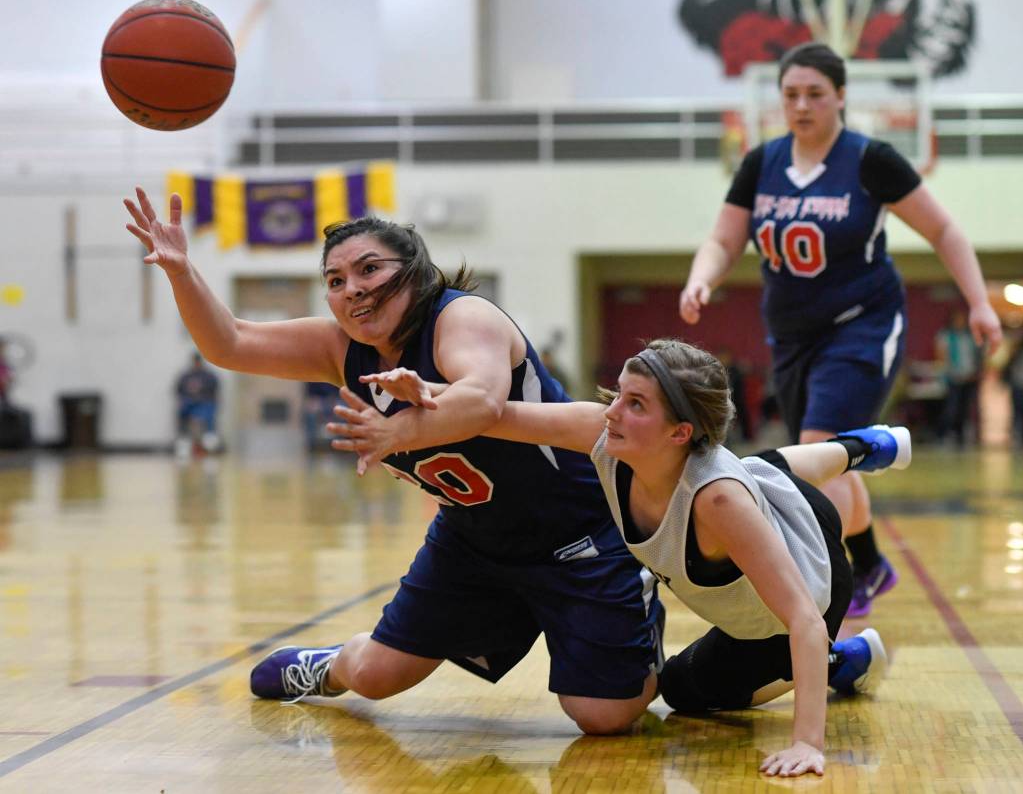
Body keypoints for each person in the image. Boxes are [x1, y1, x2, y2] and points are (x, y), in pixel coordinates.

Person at [123, 187, 663, 736]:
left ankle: (648, 618)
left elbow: (481, 401)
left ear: (416, 270)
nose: (352, 288)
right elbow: (231, 343)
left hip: (580, 533)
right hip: (475, 543)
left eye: (369, 269)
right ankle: (325, 665)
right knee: (377, 677)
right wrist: (182, 272)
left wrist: (398, 427)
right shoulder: (341, 347)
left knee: (605, 715)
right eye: (336, 281)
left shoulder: (462, 317)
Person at [354, 339, 909, 778]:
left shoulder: (717, 501)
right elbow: (498, 414)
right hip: (758, 488)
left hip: (808, 586)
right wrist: (427, 393)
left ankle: (844, 660)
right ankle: (864, 446)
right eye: (617, 393)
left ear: (679, 431)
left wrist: (808, 744)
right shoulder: (610, 436)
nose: (612, 411)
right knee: (759, 466)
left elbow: (803, 618)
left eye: (635, 404)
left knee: (687, 694)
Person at [679, 42, 1001, 618]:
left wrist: (978, 302)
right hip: (793, 335)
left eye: (815, 94)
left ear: (841, 97)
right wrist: (701, 279)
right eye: (791, 95)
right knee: (828, 458)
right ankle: (873, 561)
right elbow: (725, 239)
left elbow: (945, 231)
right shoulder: (762, 163)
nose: (801, 105)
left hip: (862, 324)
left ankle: (830, 581)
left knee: (813, 452)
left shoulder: (870, 160)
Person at [935, 309, 983, 448]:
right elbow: (941, 356)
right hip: (953, 378)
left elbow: (976, 356)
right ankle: (944, 435)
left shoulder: (970, 336)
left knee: (965, 409)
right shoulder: (945, 336)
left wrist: (974, 372)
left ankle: (960, 436)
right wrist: (951, 372)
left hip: (969, 377)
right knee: (951, 409)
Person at [176, 352, 220, 453]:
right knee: (182, 414)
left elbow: (215, 393)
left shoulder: (209, 376)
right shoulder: (186, 376)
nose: (196, 364)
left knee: (209, 416)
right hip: (189, 403)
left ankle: (210, 444)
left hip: (205, 403)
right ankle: (183, 443)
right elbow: (179, 391)